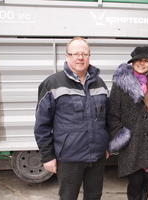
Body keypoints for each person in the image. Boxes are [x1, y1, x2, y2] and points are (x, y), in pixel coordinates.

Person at [34, 37, 109, 200]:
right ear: (67, 56)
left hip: (97, 157)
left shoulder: (100, 83)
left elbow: (107, 119)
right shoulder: (52, 84)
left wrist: (107, 144)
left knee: (95, 196)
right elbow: (42, 125)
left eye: (84, 53)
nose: (80, 57)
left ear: (89, 56)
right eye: (75, 53)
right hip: (69, 158)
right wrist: (47, 157)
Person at [107, 46, 148, 200]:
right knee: (135, 179)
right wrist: (122, 135)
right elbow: (113, 114)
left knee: (147, 179)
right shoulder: (121, 84)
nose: (142, 64)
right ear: (132, 62)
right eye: (139, 60)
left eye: (146, 61)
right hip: (132, 143)